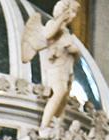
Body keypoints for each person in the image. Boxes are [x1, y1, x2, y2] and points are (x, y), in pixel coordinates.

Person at [22, 0, 80, 133]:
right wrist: (61, 20)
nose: (74, 16)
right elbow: (48, 35)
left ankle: (56, 123)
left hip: (67, 67)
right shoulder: (52, 24)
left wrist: (75, 51)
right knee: (59, 92)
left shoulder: (66, 32)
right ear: (64, 12)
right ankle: (44, 125)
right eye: (72, 12)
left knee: (64, 96)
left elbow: (75, 52)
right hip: (57, 66)